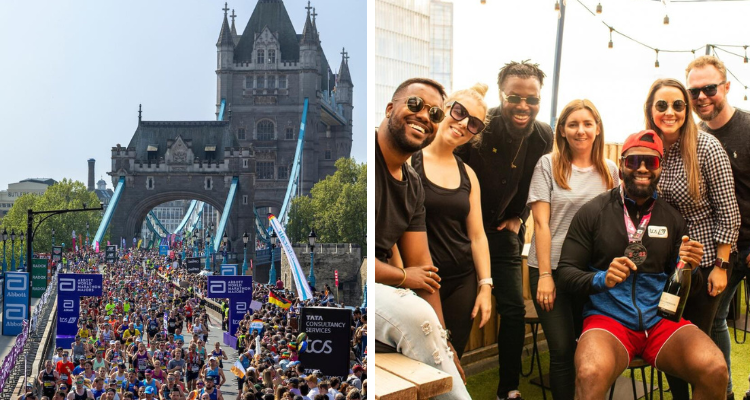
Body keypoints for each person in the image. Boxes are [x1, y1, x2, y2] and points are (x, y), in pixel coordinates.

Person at [556, 130, 727, 399]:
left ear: (660, 167)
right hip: (608, 321)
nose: (643, 169)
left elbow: (683, 290)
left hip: (660, 321)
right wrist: (603, 278)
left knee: (715, 368)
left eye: (651, 162)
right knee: (590, 373)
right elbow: (565, 274)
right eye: (634, 161)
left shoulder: (672, 218)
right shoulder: (593, 212)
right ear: (622, 164)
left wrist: (689, 268)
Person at [455, 60, 553, 400]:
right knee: (459, 309)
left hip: (502, 235)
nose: (523, 106)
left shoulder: (544, 136)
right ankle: (447, 388)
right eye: (515, 97)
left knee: (512, 310)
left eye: (532, 98)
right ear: (501, 95)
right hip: (461, 234)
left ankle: (507, 389)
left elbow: (543, 185)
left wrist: (519, 217)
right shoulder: (479, 123)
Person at [643, 78, 740, 399]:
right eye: (662, 105)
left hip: (704, 265)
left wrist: (721, 266)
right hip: (665, 266)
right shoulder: (650, 148)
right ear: (650, 110)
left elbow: (729, 211)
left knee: (698, 342)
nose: (670, 112)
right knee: (668, 336)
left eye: (677, 105)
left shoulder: (707, 147)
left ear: (686, 109)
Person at [374, 77, 471, 399]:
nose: (424, 117)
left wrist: (445, 342)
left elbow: (423, 268)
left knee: (427, 327)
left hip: (381, 289)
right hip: (368, 287)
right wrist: (402, 276)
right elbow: (365, 262)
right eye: (414, 105)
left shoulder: (413, 184)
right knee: (415, 315)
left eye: (435, 114)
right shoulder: (367, 158)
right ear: (390, 108)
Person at [526, 99, 619, 399]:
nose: (581, 130)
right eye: (573, 124)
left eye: (587, 124)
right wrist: (544, 275)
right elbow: (541, 224)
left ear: (597, 128)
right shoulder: (548, 165)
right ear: (562, 130)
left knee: (587, 347)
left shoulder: (611, 171)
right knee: (563, 349)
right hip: (549, 269)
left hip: (589, 275)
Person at [409, 83, 493, 359]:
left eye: (474, 124)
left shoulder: (469, 175)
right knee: (422, 360)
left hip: (461, 283)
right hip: (419, 281)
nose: (463, 124)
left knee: (452, 359)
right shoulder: (410, 162)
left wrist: (485, 286)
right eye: (459, 112)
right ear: (443, 110)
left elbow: (477, 235)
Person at [686, 55, 750, 400]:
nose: (701, 97)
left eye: (709, 88)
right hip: (722, 250)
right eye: (694, 91)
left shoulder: (748, 129)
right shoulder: (696, 139)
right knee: (714, 322)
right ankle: (721, 392)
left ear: (726, 86)